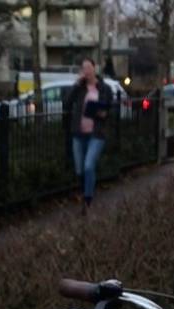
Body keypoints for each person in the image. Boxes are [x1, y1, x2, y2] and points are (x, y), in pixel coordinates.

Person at [64, 58, 113, 211]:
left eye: (89, 67)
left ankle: (87, 200)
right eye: (83, 68)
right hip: (79, 133)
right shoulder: (80, 88)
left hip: (96, 134)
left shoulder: (104, 88)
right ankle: (85, 192)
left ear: (94, 68)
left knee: (88, 165)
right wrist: (76, 84)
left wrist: (102, 113)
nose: (86, 71)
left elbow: (108, 108)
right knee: (80, 170)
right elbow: (67, 102)